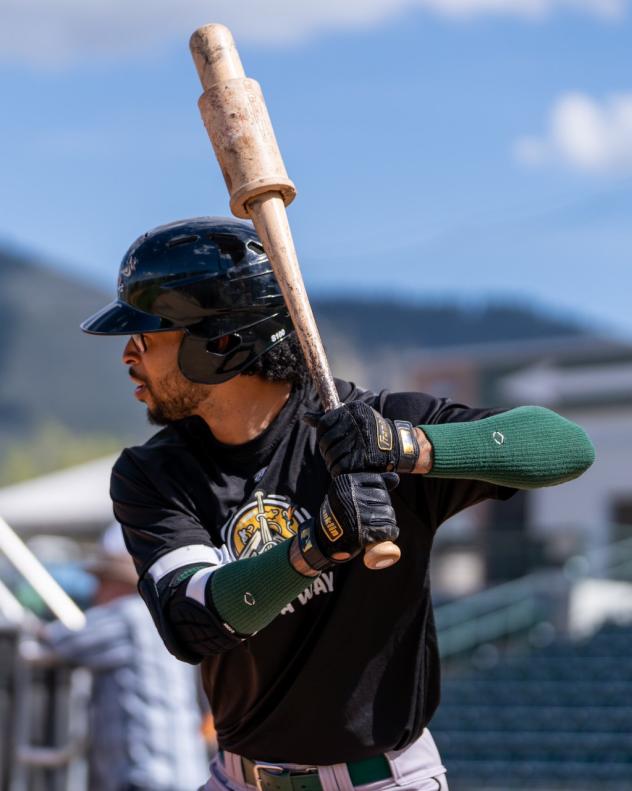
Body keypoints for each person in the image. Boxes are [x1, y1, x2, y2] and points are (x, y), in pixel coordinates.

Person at [81, 217, 595, 791]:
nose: (129, 354)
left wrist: (403, 447)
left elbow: (566, 447)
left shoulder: (371, 426)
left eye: (148, 337)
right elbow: (194, 621)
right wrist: (316, 546)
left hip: (386, 780)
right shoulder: (155, 474)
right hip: (240, 780)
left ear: (220, 344)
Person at [42, 523, 209, 791]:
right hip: (184, 772)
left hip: (147, 776)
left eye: (103, 581)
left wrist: (34, 630)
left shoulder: (126, 616)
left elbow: (59, 640)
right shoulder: (163, 619)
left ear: (121, 583)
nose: (97, 591)